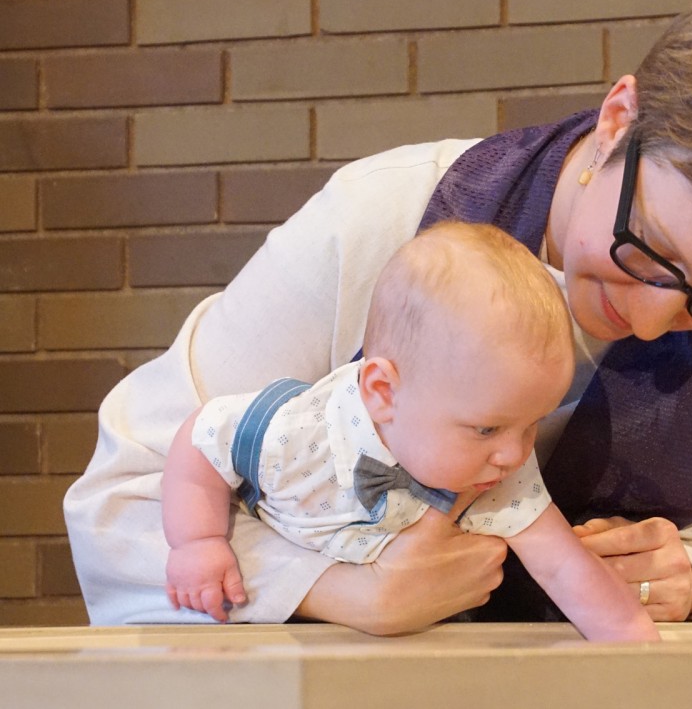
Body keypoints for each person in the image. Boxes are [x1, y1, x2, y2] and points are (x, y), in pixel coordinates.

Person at [65, 0, 692, 631]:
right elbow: (124, 496)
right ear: (620, 119)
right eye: (649, 250)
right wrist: (336, 588)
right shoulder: (381, 218)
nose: (657, 320)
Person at [160, 221, 659, 641]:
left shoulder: (498, 465)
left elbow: (563, 565)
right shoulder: (297, 434)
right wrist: (198, 542)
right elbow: (201, 439)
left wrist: (636, 639)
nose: (513, 454)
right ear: (383, 393)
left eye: (532, 425)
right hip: (276, 637)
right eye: (487, 428)